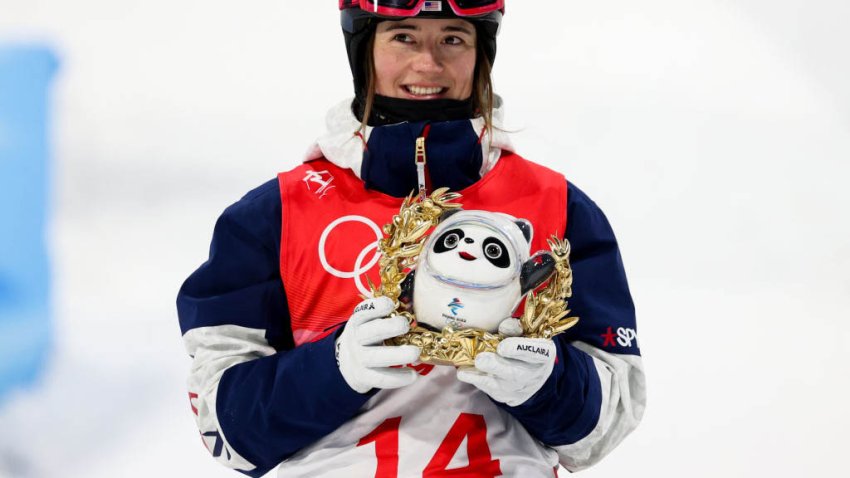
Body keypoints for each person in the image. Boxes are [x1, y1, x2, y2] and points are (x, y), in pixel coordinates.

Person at [177, 1, 645, 476]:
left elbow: (606, 427)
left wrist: (549, 384)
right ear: (362, 48)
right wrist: (334, 369)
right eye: (403, 36)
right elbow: (225, 431)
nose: (428, 63)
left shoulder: (559, 207)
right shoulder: (274, 215)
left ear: (482, 52)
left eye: (453, 38)